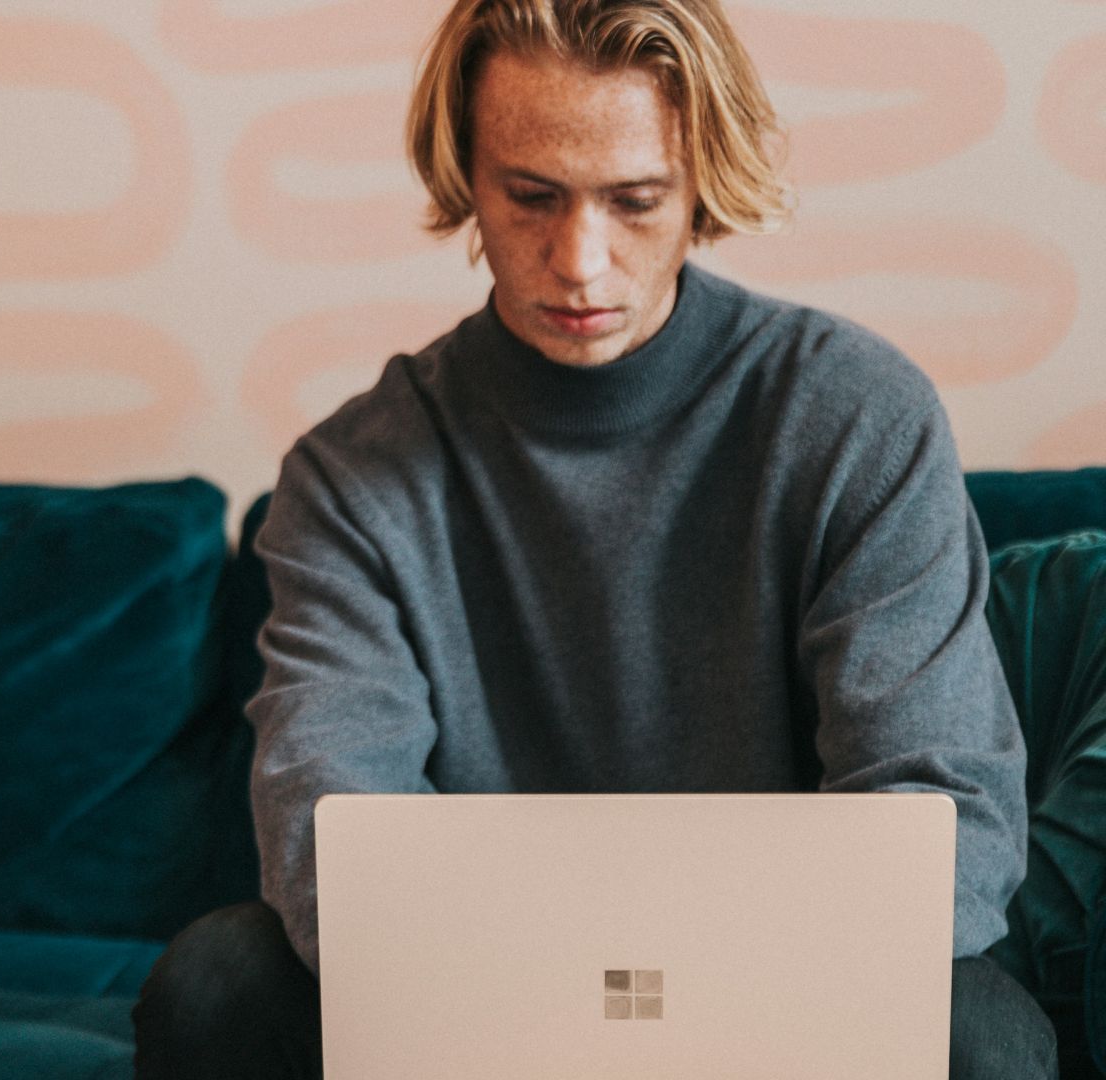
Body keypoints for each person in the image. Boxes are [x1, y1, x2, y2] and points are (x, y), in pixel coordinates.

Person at [130, 1, 1059, 1077]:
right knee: (217, 980)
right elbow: (326, 838)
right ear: (465, 179)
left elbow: (948, 819)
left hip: (790, 1007)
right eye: (531, 196)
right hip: (465, 1011)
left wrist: (678, 1002)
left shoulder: (857, 417)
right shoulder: (352, 478)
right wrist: (566, 1019)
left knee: (980, 1032)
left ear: (701, 180)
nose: (580, 261)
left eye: (635, 200)